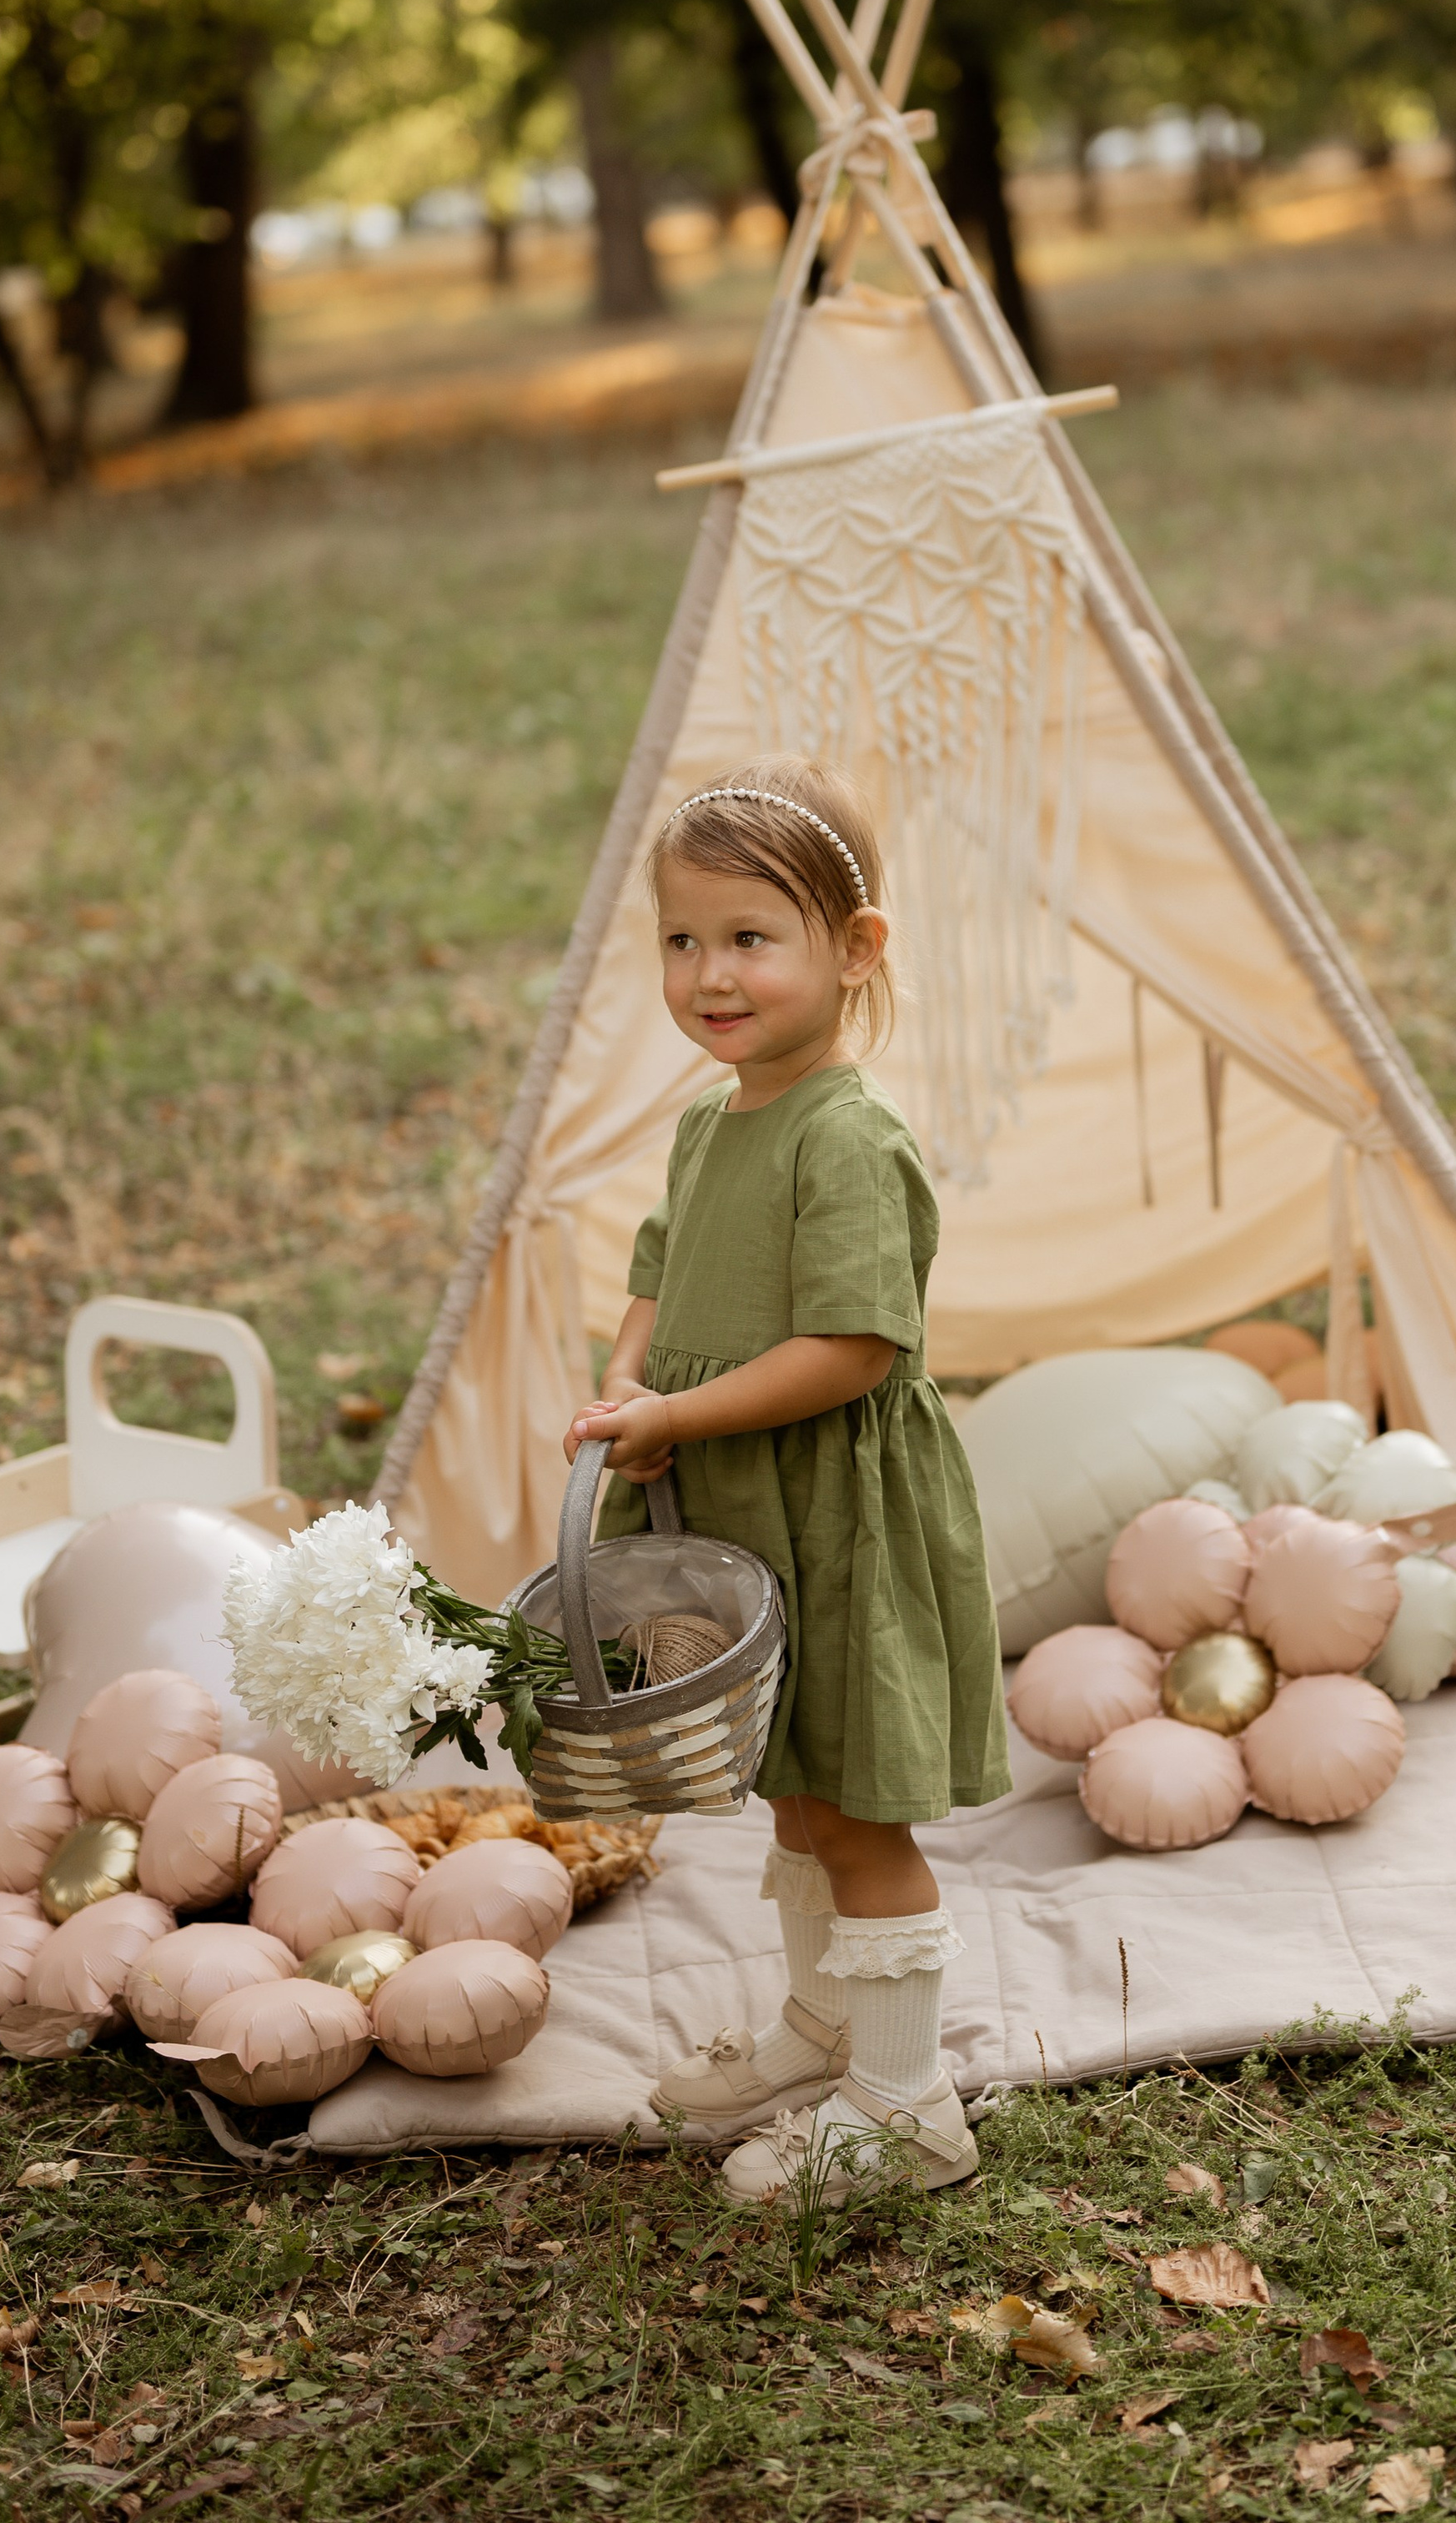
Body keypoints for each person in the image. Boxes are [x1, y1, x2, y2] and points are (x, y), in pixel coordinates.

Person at [562, 754, 1009, 2204]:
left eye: (751, 937)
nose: (711, 975)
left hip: (835, 1508)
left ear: (854, 949)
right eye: (683, 942)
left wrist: (684, 1415)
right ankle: (825, 2023)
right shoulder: (711, 1122)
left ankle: (907, 2103)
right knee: (798, 1793)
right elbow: (654, 1266)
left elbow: (857, 1348)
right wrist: (634, 1376)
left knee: (860, 1807)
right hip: (745, 1514)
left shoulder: (847, 1134)